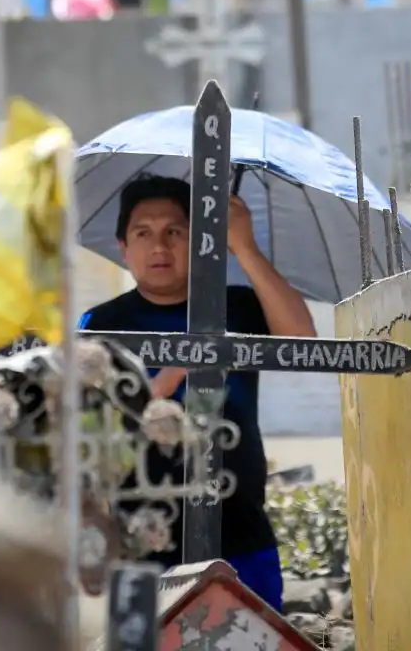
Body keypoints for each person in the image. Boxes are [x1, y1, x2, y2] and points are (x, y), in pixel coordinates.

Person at [80, 175, 316, 610]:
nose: (159, 247)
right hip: (140, 542)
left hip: (240, 532)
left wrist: (243, 246)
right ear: (123, 247)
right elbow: (97, 433)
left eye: (175, 232)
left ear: (199, 240)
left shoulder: (239, 306)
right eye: (143, 233)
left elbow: (303, 342)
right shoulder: (101, 325)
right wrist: (178, 369)